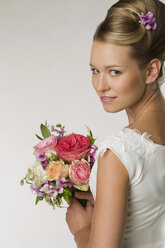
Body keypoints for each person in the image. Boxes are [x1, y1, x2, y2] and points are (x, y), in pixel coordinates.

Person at [66, 0, 165, 247]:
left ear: (151, 70)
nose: (100, 85)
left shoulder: (120, 151)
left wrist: (82, 229)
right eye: (94, 70)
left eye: (115, 72)